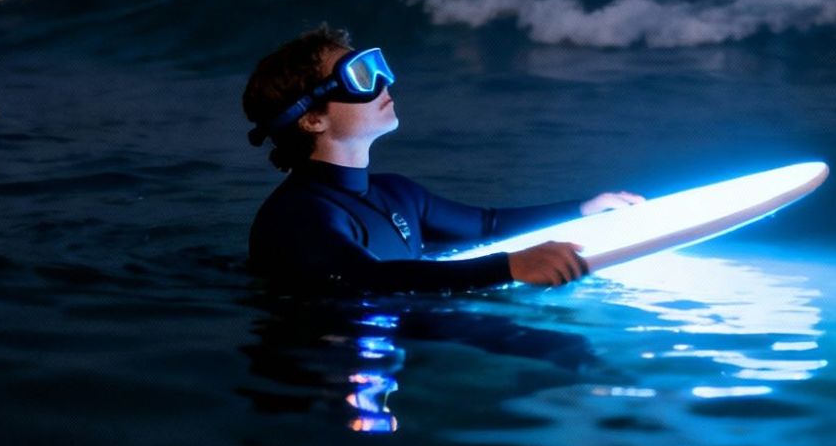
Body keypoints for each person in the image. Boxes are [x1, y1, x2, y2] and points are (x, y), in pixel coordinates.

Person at [243, 27, 643, 293]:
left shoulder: (397, 193)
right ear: (312, 118)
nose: (384, 81)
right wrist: (507, 268)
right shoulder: (297, 215)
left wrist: (583, 208)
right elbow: (365, 279)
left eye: (377, 66)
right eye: (361, 76)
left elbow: (487, 225)